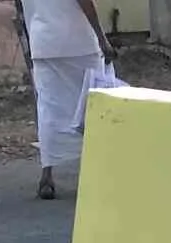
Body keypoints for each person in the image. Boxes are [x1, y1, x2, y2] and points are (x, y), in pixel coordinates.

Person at [19, 0, 112, 201]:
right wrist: (102, 38)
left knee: (48, 108)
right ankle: (96, 172)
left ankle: (47, 175)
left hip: (43, 43)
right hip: (80, 45)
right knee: (90, 107)